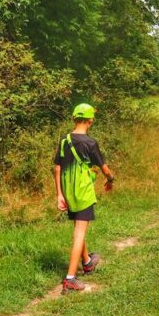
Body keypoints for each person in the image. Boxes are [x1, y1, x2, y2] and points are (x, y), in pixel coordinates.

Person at [53, 103, 114, 294]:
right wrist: (111, 179)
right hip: (83, 192)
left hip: (69, 191)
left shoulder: (64, 140)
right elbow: (104, 168)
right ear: (90, 121)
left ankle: (87, 263)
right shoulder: (90, 143)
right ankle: (70, 279)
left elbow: (57, 168)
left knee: (79, 226)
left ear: (73, 118)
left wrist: (60, 195)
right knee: (79, 233)